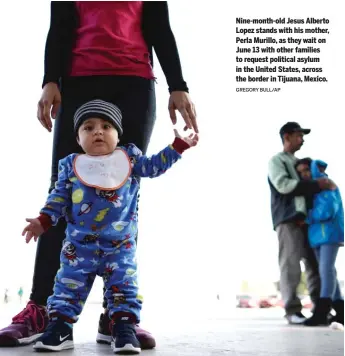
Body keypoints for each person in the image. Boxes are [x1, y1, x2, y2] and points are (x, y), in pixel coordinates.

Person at [0, 1, 198, 348]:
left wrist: (177, 85)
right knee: (63, 187)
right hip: (78, 79)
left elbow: (159, 27)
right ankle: (42, 308)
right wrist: (50, 79)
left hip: (134, 82)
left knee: (124, 187)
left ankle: (117, 316)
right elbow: (60, 25)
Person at [22, 100, 198, 353]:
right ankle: (60, 327)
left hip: (120, 247)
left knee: (124, 287)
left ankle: (123, 327)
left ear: (118, 134)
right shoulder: (71, 165)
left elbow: (154, 166)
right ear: (78, 137)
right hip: (78, 247)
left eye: (106, 126)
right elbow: (58, 197)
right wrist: (44, 220)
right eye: (88, 127)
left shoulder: (129, 158)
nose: (97, 131)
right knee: (66, 288)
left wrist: (178, 146)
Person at [267, 122, 335, 325]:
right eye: (298, 135)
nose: (302, 139)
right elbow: (283, 185)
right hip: (288, 220)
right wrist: (315, 184)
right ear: (286, 137)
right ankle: (292, 311)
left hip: (309, 222)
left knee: (315, 266)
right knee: (290, 265)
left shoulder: (302, 162)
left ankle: (319, 310)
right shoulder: (276, 161)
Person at [295, 159, 344, 326]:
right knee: (329, 272)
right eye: (301, 173)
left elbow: (328, 211)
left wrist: (307, 217)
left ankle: (322, 310)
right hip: (316, 236)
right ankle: (341, 310)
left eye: (307, 170)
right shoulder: (312, 190)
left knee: (326, 270)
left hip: (329, 233)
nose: (304, 175)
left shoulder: (326, 185)